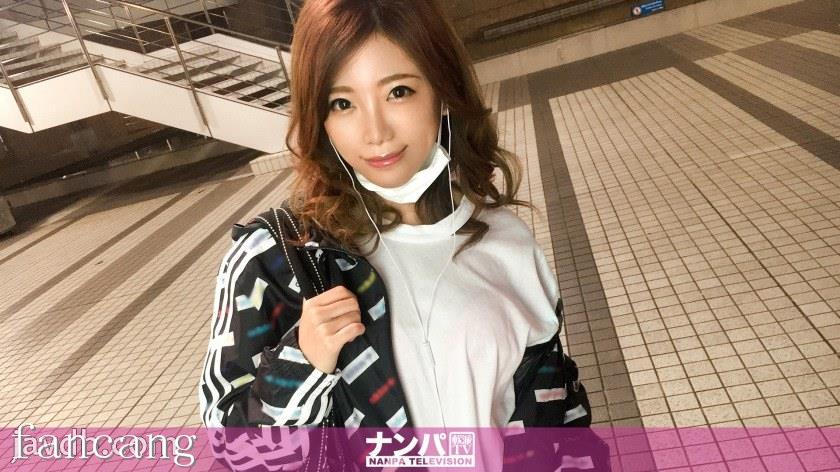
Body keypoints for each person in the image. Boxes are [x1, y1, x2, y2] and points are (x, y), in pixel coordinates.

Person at [199, 1, 593, 470]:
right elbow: (232, 453)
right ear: (320, 119)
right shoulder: (279, 259)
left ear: (442, 91)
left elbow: (558, 415)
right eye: (342, 103)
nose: (376, 133)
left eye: (398, 92)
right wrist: (301, 361)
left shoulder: (506, 242)